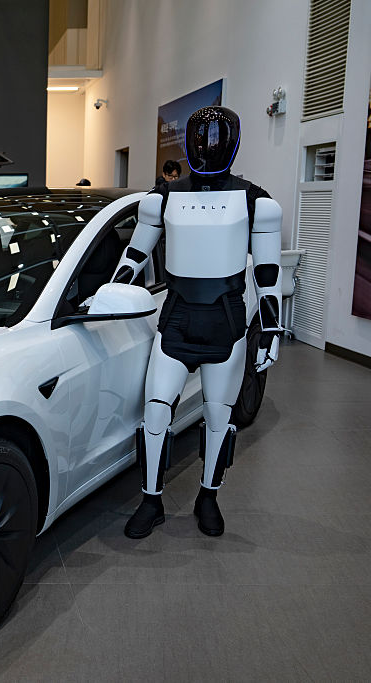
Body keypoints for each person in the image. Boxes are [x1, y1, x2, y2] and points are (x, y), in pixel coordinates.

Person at [114, 106, 283, 538]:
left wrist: (268, 331)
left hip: (224, 323)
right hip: (178, 318)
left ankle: (208, 496)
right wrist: (113, 293)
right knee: (155, 414)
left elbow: (267, 274)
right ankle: (151, 500)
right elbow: (133, 256)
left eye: (217, 137)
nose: (209, 146)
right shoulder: (162, 199)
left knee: (218, 419)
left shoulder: (256, 203)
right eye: (202, 138)